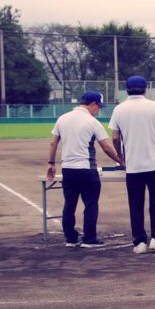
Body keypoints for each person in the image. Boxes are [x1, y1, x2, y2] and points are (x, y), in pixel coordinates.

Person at [46, 91, 123, 248]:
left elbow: (53, 143)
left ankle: (70, 239)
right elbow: (107, 147)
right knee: (91, 204)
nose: (98, 110)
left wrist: (51, 163)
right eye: (99, 107)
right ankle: (89, 238)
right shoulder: (92, 122)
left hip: (68, 169)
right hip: (86, 169)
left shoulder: (62, 118)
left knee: (69, 203)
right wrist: (120, 160)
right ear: (93, 104)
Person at [108, 76, 155, 254]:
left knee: (135, 204)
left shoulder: (119, 109)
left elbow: (115, 137)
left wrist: (120, 155)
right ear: (146, 89)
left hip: (133, 166)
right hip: (153, 164)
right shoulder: (154, 106)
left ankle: (139, 242)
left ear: (127, 90)